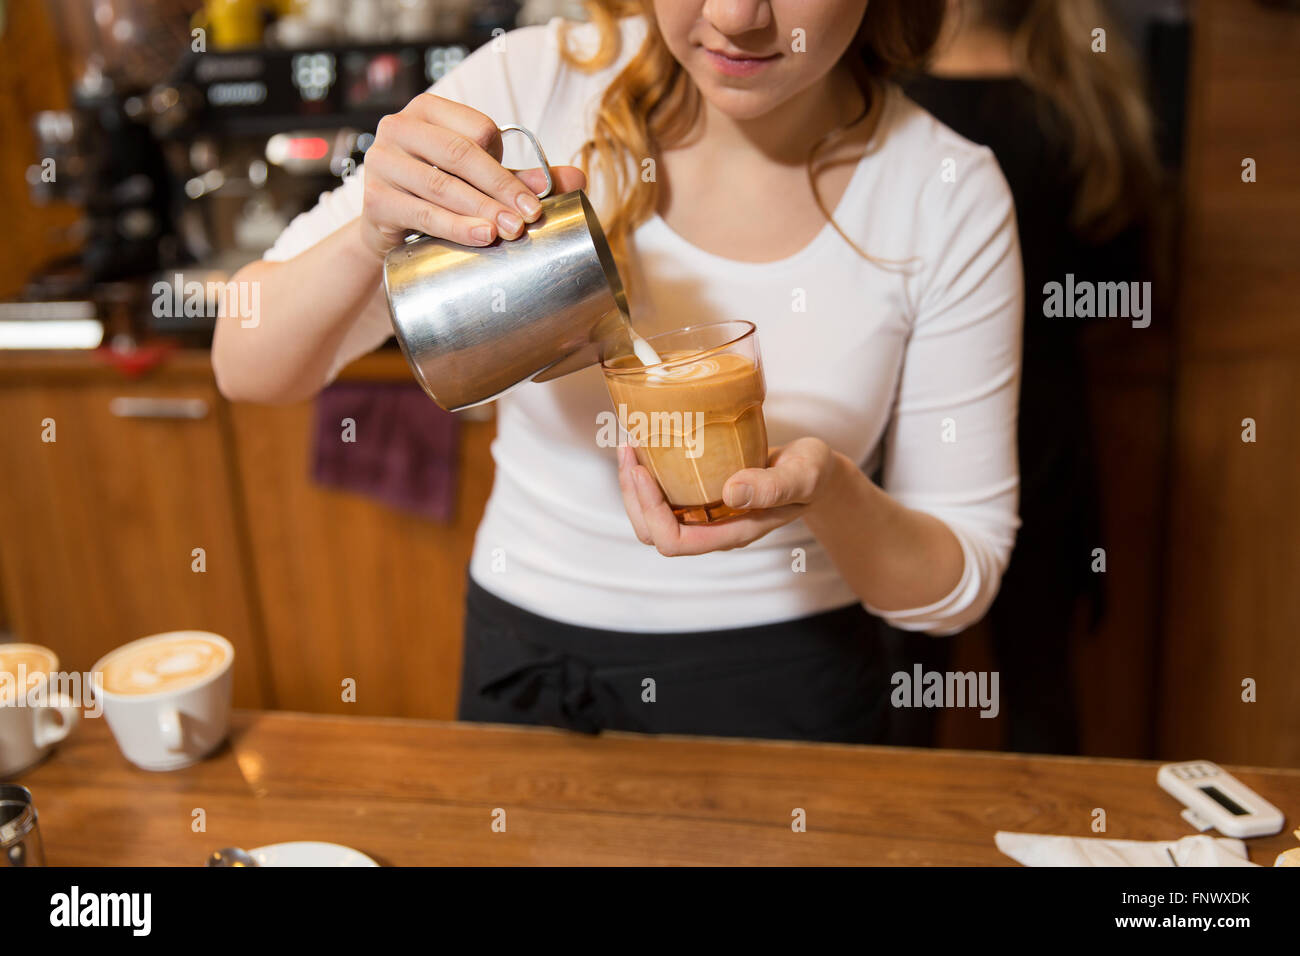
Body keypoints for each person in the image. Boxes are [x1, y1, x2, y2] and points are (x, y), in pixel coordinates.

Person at [212, 0, 1024, 744]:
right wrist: (369, 236)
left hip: (791, 689)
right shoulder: (530, 84)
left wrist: (833, 494)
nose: (736, 16)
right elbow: (246, 364)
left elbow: (960, 582)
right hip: (527, 668)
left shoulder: (945, 190)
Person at [887, 0, 1160, 753]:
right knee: (1041, 685)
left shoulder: (889, 112)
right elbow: (1127, 293)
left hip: (910, 434)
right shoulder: (1088, 106)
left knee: (904, 686)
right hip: (1045, 431)